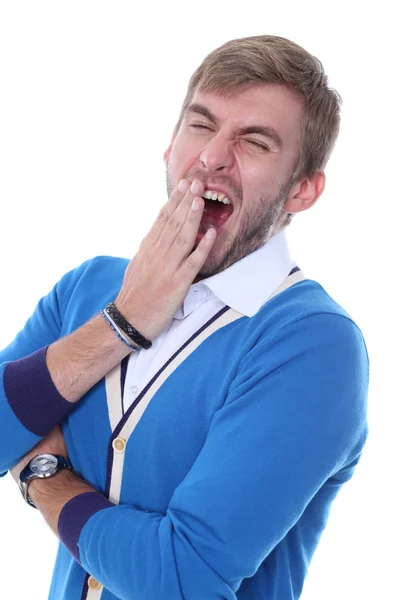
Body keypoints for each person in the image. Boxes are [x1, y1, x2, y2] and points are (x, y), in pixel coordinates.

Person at [0, 34, 368, 600]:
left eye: (254, 141)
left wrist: (44, 477)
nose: (212, 156)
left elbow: (179, 579)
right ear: (170, 142)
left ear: (303, 190)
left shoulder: (313, 344)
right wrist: (121, 322)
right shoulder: (90, 286)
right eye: (201, 125)